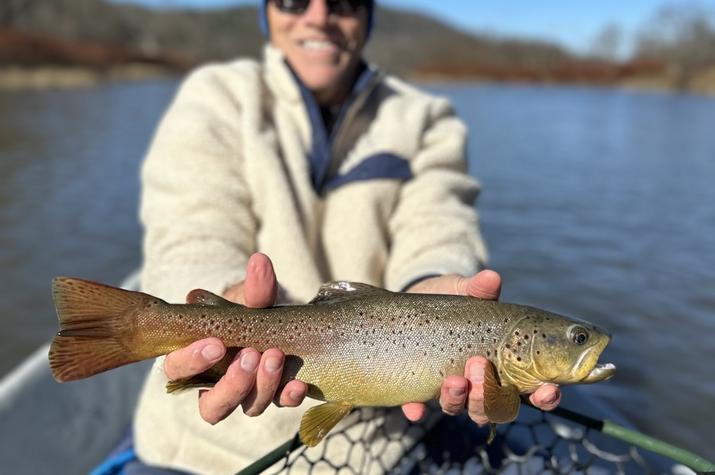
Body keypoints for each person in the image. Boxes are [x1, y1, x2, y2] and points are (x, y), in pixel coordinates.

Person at [130, 0, 562, 473]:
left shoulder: (424, 118)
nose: (318, 16)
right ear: (266, 10)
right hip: (209, 449)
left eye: (344, 2)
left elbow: (438, 225)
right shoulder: (215, 97)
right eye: (293, 0)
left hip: (390, 439)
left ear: (368, 15)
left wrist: (434, 284)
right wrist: (219, 306)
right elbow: (191, 233)